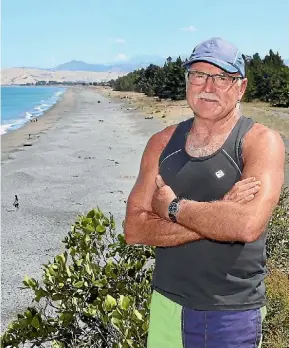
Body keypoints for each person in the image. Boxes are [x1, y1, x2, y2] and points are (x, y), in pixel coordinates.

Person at [124, 37, 285, 347]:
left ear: (241, 87)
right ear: (188, 81)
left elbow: (247, 225)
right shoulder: (161, 142)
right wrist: (221, 212)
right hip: (167, 304)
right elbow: (134, 229)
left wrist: (172, 208)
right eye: (198, 75)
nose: (208, 87)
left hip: (232, 312)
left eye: (222, 78)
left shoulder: (261, 141)